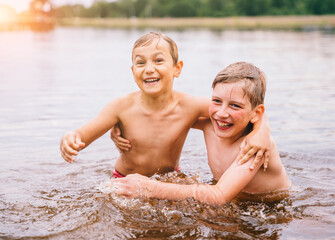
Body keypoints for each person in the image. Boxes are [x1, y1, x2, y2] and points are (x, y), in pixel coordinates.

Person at [60, 32, 271, 178]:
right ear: (133, 72)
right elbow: (82, 135)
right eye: (141, 63)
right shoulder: (120, 107)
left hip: (169, 178)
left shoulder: (189, 106)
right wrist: (70, 138)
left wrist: (260, 133)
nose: (149, 69)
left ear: (177, 68)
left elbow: (244, 111)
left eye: (158, 61)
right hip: (124, 177)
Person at [111, 62, 291, 205]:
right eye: (217, 101)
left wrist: (149, 188)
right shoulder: (210, 124)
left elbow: (218, 196)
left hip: (272, 207)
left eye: (235, 105)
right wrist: (122, 124)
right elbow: (164, 115)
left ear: (256, 114)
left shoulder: (255, 147)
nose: (222, 113)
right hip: (237, 199)